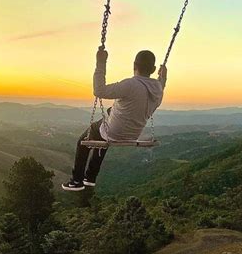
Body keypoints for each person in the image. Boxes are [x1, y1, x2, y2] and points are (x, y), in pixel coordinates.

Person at [62, 47, 167, 191]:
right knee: (109, 118)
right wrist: (163, 77)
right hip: (133, 134)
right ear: (153, 69)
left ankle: (76, 181)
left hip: (114, 131)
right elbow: (161, 84)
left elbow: (99, 90)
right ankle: (90, 178)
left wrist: (101, 62)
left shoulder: (130, 84)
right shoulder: (158, 90)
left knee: (84, 139)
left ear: (134, 66)